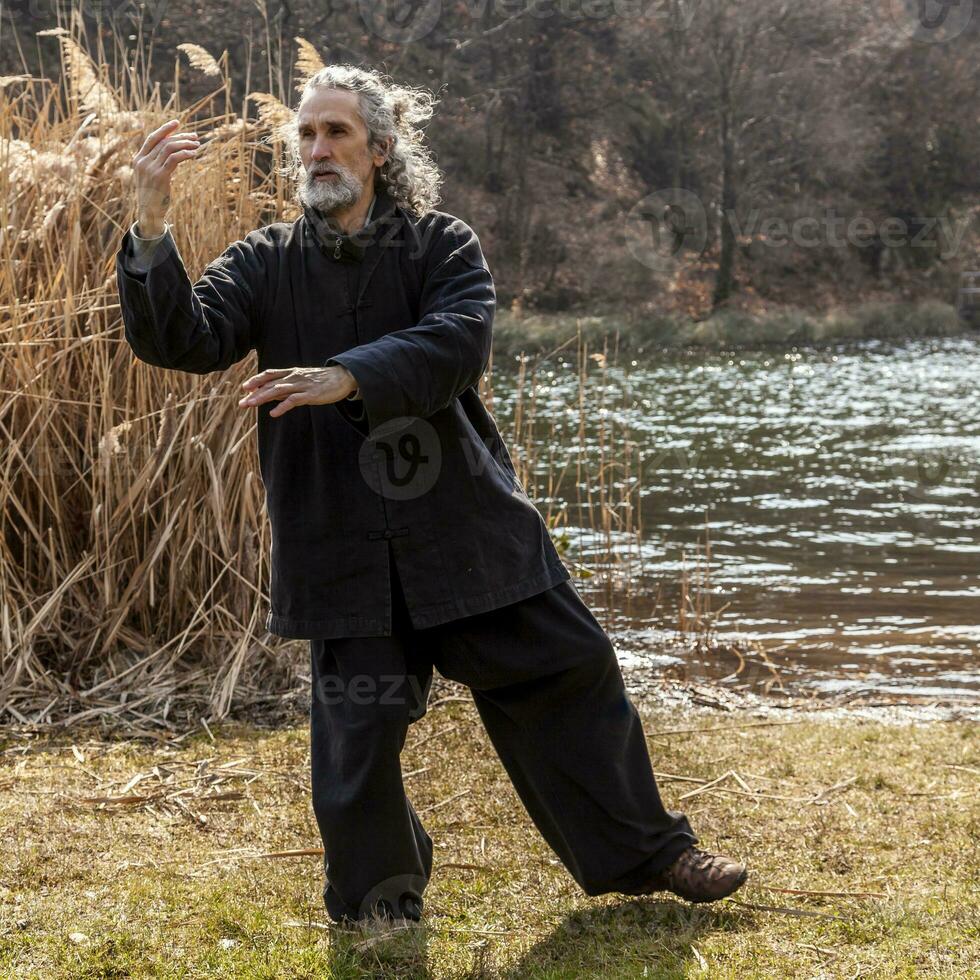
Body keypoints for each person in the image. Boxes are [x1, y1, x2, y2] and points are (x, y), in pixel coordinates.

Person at [116, 64, 748, 929]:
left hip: (462, 529)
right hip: (337, 535)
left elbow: (457, 344)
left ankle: (653, 852)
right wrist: (150, 227)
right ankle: (381, 897)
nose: (317, 148)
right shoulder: (266, 262)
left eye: (336, 132)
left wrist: (347, 377)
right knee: (358, 737)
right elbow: (183, 340)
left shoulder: (441, 244)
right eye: (305, 134)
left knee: (572, 668)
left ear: (380, 148)